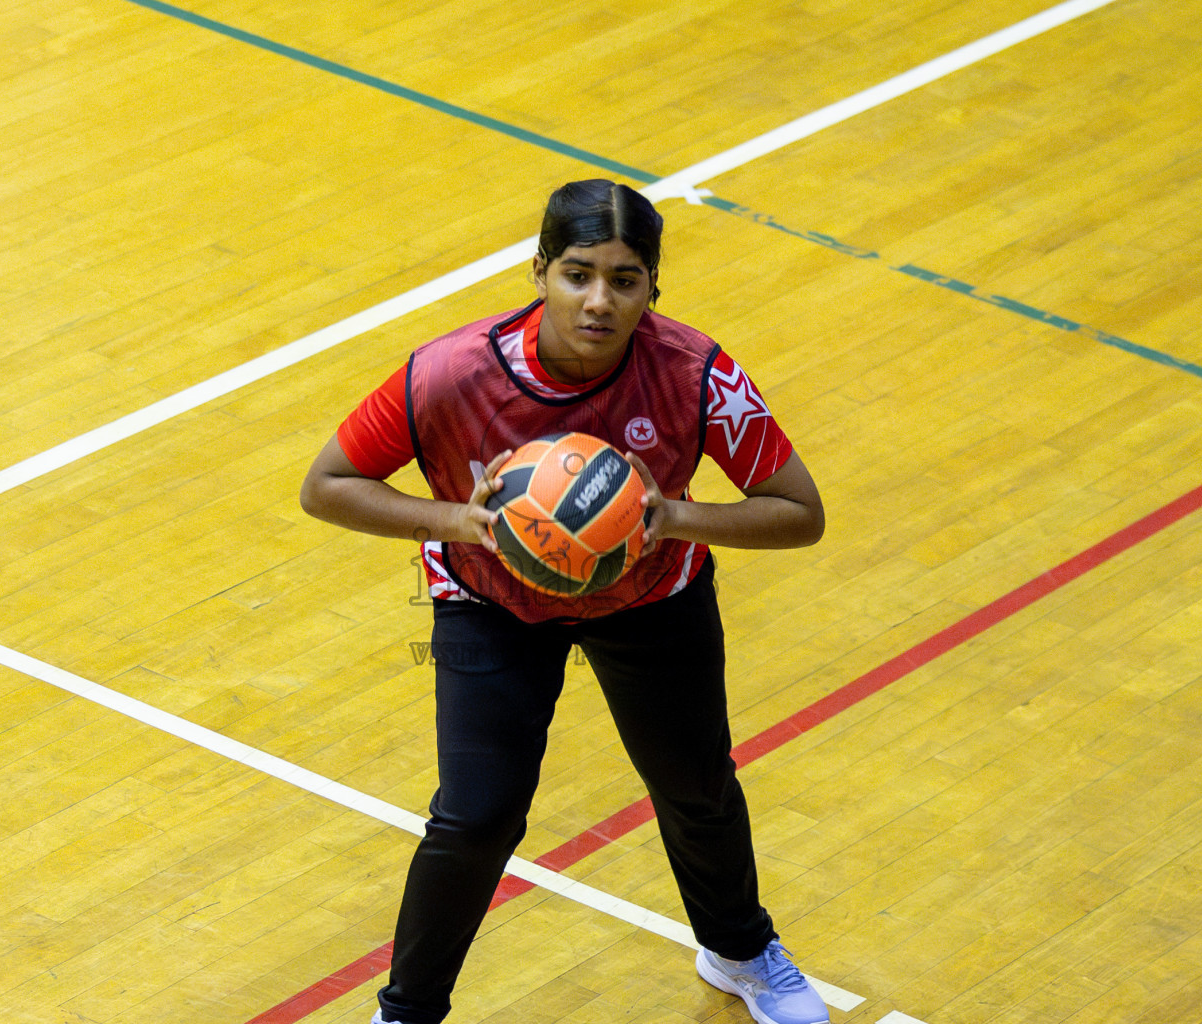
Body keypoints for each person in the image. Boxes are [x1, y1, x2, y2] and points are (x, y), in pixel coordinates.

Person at [300, 179, 829, 1024]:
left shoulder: (696, 374)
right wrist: (458, 523)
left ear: (654, 287)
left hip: (654, 599)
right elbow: (326, 485)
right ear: (538, 271)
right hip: (490, 602)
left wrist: (674, 517)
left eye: (626, 280)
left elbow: (801, 515)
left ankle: (738, 951)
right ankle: (404, 1013)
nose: (599, 300)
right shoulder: (447, 374)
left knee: (695, 787)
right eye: (578, 273)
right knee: (475, 819)